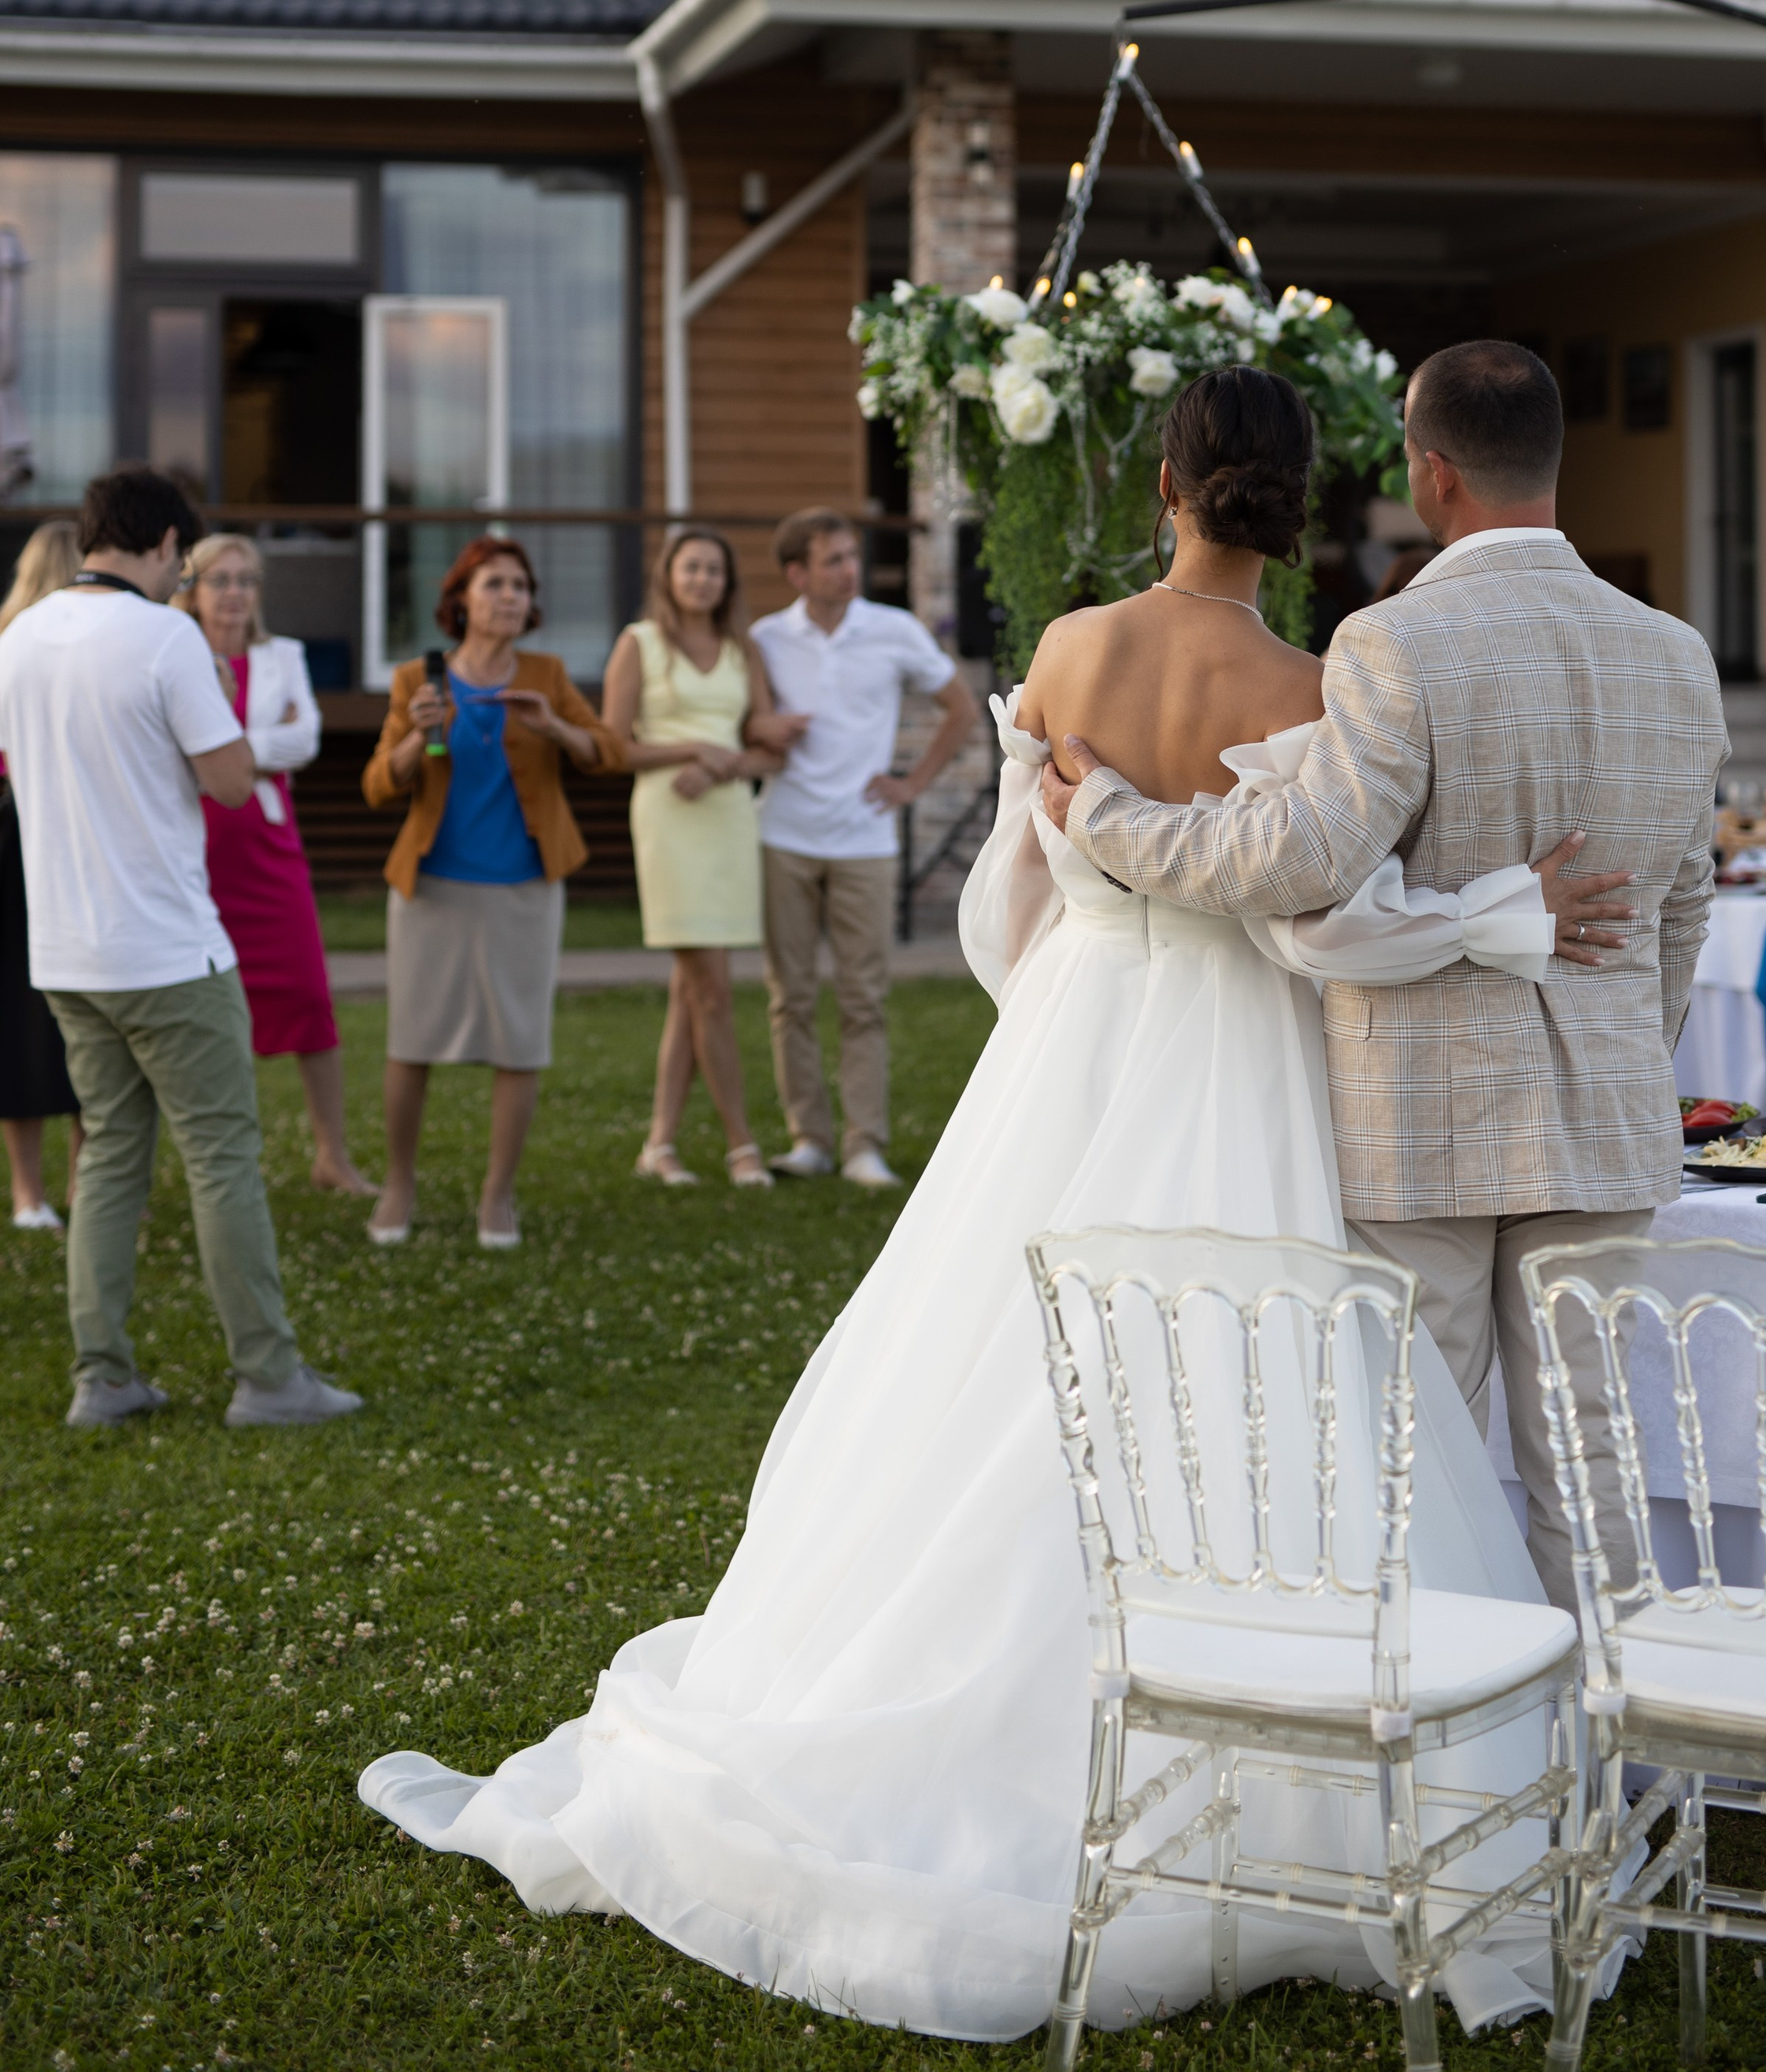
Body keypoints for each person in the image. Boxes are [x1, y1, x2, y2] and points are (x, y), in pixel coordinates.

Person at [358, 371, 1627, 2041]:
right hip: (1244, 1061)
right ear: (1300, 503)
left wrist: (1060, 994)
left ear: (1165, 483)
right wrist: (1489, 919)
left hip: (1076, 1038)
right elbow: (1322, 927)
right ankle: (1302, 1764)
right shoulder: (1312, 683)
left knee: (996, 1377)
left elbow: (997, 909)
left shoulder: (1071, 654)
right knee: (1257, 1395)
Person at [1049, 339, 1725, 1614]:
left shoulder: (1394, 642)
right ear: (1552, 461)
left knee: (1423, 1474)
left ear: (1431, 474)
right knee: (1595, 1467)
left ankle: (1460, 1766)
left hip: (1423, 1120)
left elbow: (1300, 855)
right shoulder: (1678, 654)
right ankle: (1626, 1772)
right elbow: (1681, 904)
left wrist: (1112, 822)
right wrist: (1628, 1044)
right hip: (1604, 1122)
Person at [0, 466, 361, 1429]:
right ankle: (271, 1379)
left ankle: (102, 1378)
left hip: (66, 951)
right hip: (167, 949)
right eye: (183, 562)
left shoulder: (22, 634)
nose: (182, 578)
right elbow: (235, 781)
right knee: (221, 1159)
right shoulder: (167, 636)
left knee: (112, 1157)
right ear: (164, 545)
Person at [363, 536, 625, 1251]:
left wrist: (556, 727)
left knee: (519, 1045)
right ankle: (398, 1186)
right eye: (495, 585)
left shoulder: (546, 672)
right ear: (461, 601)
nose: (511, 596)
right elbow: (379, 785)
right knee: (410, 1044)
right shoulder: (419, 675)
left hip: (523, 892)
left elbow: (608, 752)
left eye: (520, 586)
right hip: (432, 891)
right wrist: (418, 738)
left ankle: (497, 1196)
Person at [750, 509, 979, 1188]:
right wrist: (763, 726)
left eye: (852, 557)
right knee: (788, 997)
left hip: (866, 841)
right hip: (783, 836)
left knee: (864, 998)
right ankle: (808, 1141)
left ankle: (863, 1147)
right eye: (833, 560)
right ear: (797, 573)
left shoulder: (894, 630)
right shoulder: (765, 639)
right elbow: (745, 721)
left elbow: (963, 708)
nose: (850, 570)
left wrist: (912, 785)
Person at [602, 526, 805, 1192]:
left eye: (714, 570)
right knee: (712, 990)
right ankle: (741, 1145)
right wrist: (692, 751)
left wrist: (723, 766)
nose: (702, 580)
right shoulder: (639, 643)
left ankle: (659, 1144)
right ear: (668, 575)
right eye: (690, 568)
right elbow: (613, 746)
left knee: (692, 992)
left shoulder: (741, 649)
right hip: (668, 817)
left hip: (724, 818)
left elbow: (770, 752)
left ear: (726, 582)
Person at [175, 534, 373, 1196]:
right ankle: (188, 1166)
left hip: (268, 851)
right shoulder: (174, 652)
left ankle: (332, 1157)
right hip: (190, 853)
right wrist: (257, 745)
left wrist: (218, 748)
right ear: (194, 589)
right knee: (185, 1013)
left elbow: (306, 739)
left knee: (310, 998)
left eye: (246, 581)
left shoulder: (281, 655)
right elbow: (162, 747)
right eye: (220, 580)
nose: (234, 594)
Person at [0, 522, 83, 1230]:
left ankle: (31, 1194)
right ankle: (87, 1184)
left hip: (18, 839)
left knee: (23, 1017)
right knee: (79, 1011)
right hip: (52, 837)